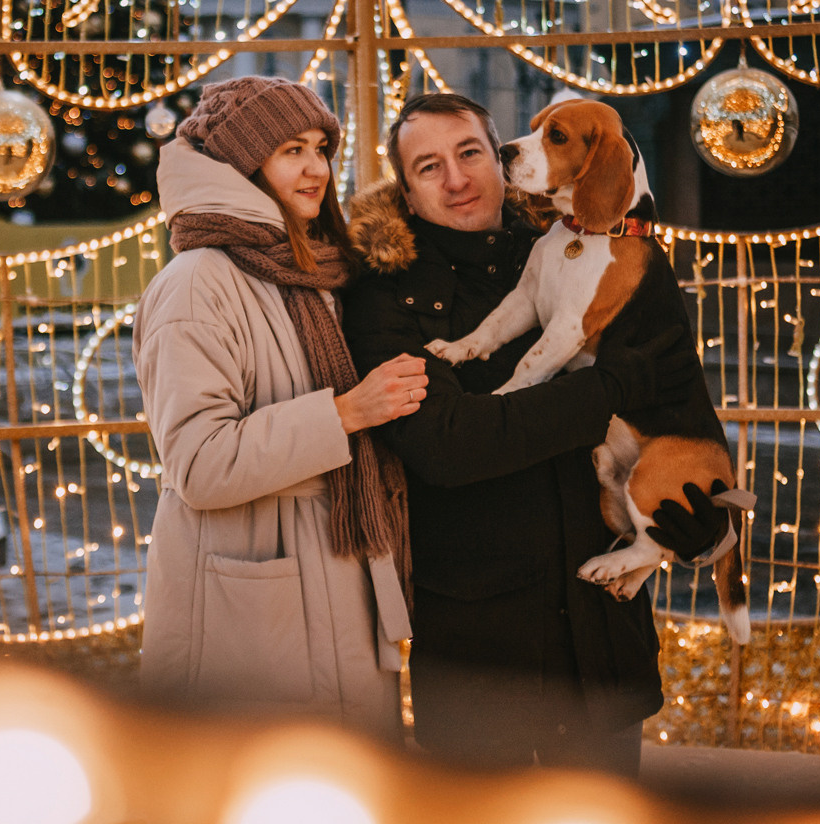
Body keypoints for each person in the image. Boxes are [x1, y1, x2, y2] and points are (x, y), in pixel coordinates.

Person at [342, 92, 730, 777]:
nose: (458, 178)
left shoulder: (588, 247)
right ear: (404, 192)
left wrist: (702, 526)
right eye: (429, 167)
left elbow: (677, 402)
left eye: (468, 152)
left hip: (599, 654)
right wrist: (610, 387)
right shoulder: (385, 297)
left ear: (498, 154)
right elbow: (452, 447)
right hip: (480, 669)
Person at [134, 76, 429, 738]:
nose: (316, 168)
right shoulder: (197, 283)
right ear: (245, 162)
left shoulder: (315, 270)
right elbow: (199, 464)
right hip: (250, 610)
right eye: (291, 149)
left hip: (334, 583)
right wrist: (345, 414)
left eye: (322, 148)